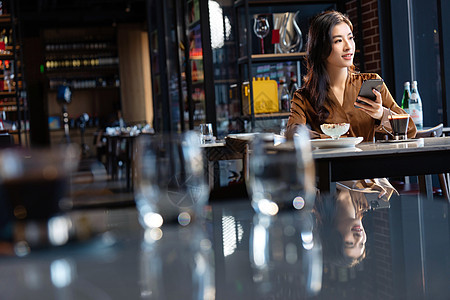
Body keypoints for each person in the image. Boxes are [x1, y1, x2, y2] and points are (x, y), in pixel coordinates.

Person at [286, 10, 416, 202]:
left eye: (350, 38)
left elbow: (410, 129)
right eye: (338, 41)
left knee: (350, 196)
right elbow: (292, 134)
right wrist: (332, 140)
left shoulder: (371, 83)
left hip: (371, 180)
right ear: (321, 47)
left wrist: (381, 113)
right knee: (341, 195)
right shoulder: (304, 96)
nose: (348, 46)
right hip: (330, 183)